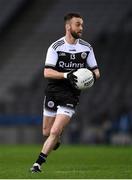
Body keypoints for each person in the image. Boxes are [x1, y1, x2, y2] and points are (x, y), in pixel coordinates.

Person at [30, 12, 100, 173]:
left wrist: (89, 79)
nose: (81, 28)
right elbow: (47, 72)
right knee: (47, 132)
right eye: (78, 24)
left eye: (82, 24)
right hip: (54, 90)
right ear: (68, 26)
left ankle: (37, 164)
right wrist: (66, 74)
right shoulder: (56, 47)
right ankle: (56, 139)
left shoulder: (87, 48)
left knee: (54, 131)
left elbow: (96, 72)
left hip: (71, 94)